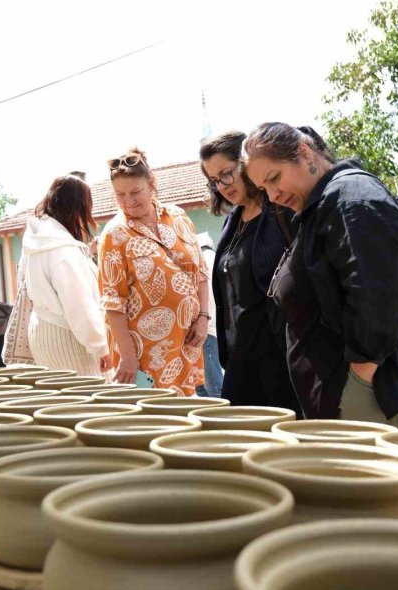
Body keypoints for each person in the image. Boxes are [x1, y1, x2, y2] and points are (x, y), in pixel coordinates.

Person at [242, 122, 398, 428]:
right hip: (365, 391)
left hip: (388, 392)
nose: (273, 195)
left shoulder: (352, 199)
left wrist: (358, 385)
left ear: (304, 154)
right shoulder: (323, 204)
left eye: (275, 178)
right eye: (264, 189)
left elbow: (374, 301)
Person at [199, 131, 301, 414]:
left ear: (245, 164)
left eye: (226, 174)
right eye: (214, 181)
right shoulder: (233, 220)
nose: (222, 185)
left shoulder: (281, 212)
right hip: (239, 363)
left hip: (281, 364)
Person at [99, 148, 208, 396]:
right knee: (151, 420)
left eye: (135, 192)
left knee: (184, 417)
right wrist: (127, 357)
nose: (129, 201)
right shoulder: (114, 234)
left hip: (185, 346)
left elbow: (200, 272)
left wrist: (203, 318)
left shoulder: (178, 216)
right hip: (143, 354)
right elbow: (113, 303)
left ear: (151, 183)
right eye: (120, 195)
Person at [20, 174, 111, 375]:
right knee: (88, 401)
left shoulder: (39, 241)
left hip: (42, 330)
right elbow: (79, 305)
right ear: (76, 208)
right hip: (68, 336)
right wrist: (102, 347)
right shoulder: (64, 252)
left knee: (58, 400)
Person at [194, 231, 223, 398]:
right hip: (201, 330)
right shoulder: (206, 255)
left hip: (207, 330)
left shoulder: (206, 258)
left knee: (213, 386)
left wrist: (206, 324)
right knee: (201, 386)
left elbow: (210, 297)